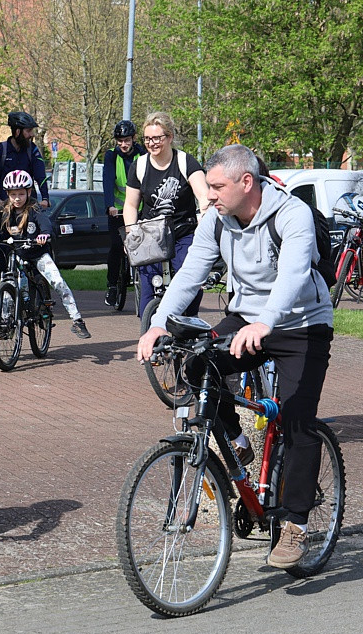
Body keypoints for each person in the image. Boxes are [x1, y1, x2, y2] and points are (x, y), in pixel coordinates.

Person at [137, 144, 333, 569]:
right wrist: (159, 323)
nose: (210, 195)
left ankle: (295, 524)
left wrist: (266, 323)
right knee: (195, 366)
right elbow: (191, 272)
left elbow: (295, 274)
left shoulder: (291, 214)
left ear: (247, 182)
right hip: (245, 317)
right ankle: (240, 444)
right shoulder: (217, 220)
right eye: (208, 186)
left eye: (216, 186)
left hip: (301, 322)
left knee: (298, 418)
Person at [0, 170, 91, 339]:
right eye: (13, 194)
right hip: (15, 254)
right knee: (8, 285)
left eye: (21, 193)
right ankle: (5, 322)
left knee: (58, 281)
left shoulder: (34, 209)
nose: (17, 198)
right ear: (7, 194)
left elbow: (45, 223)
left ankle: (77, 320)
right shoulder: (4, 212)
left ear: (29, 192)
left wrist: (44, 234)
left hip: (37, 253)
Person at [122, 112, 209, 318]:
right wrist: (131, 233)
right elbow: (131, 204)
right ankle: (149, 335)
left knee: (190, 279)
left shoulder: (185, 162)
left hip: (182, 232)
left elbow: (204, 197)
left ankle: (189, 322)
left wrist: (205, 217)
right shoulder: (140, 165)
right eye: (147, 139)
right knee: (147, 284)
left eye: (157, 138)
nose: (152, 143)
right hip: (150, 234)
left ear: (169, 137)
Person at [102, 119, 146, 306]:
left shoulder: (143, 154)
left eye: (127, 140)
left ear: (133, 139)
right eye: (120, 141)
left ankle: (148, 284)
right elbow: (108, 181)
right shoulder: (111, 156)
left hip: (141, 208)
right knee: (115, 247)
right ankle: (112, 286)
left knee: (145, 249)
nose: (123, 144)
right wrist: (109, 205)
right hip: (118, 211)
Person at [0, 111, 50, 210]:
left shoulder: (32, 150)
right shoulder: (0, 150)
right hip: (6, 205)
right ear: (17, 132)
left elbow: (40, 176)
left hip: (29, 205)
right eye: (28, 131)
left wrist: (45, 198)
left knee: (40, 224)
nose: (32, 134)